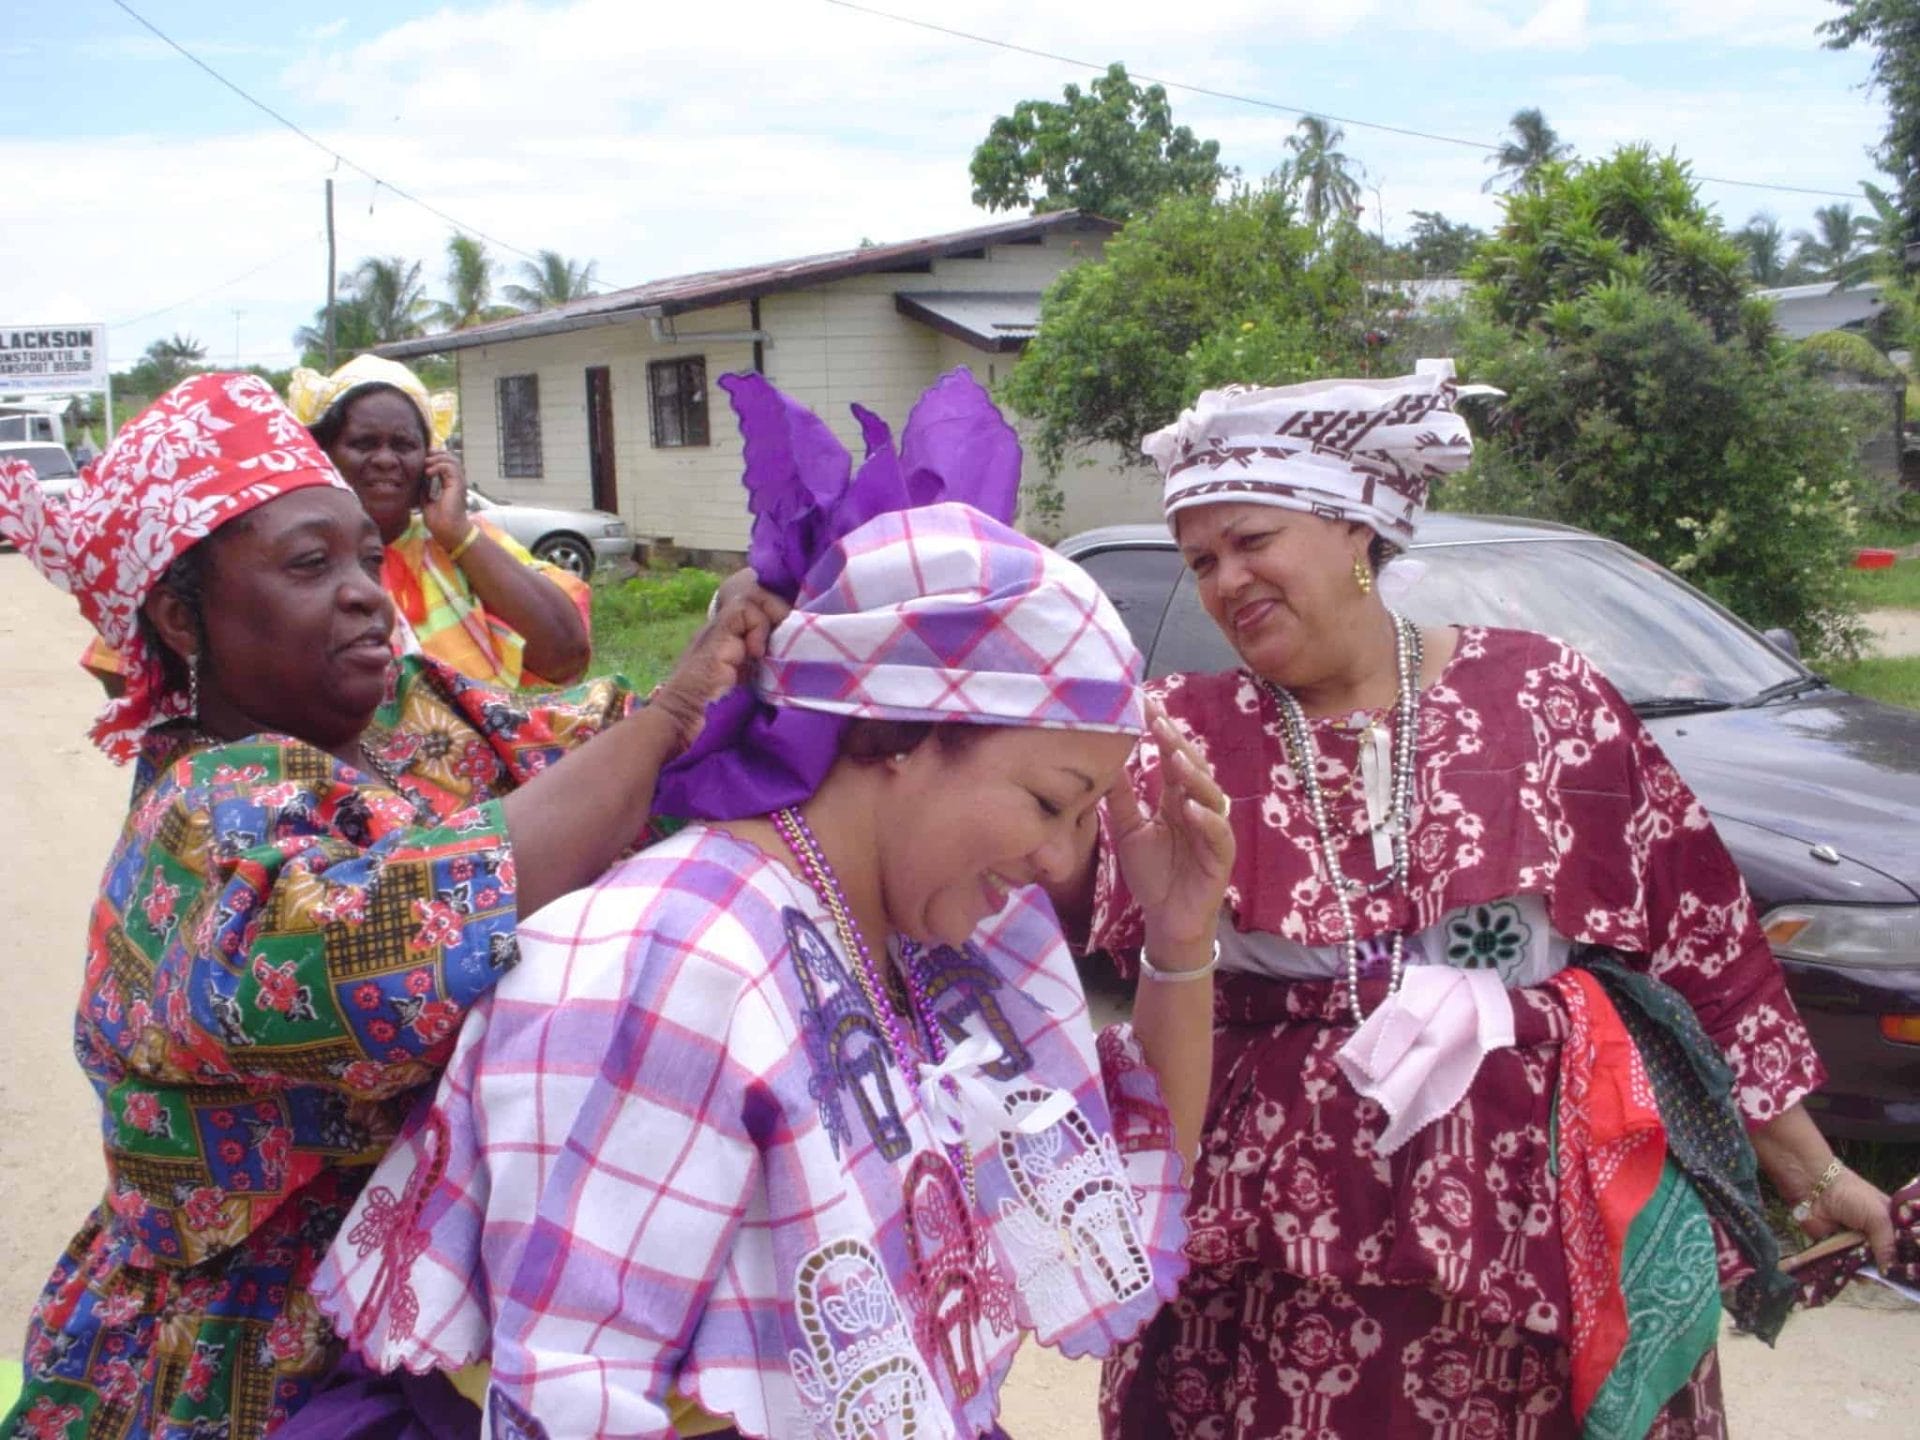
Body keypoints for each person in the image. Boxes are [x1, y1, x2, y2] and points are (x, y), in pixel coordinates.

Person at [311, 370, 1234, 1439]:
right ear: (892, 733)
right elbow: (570, 1392)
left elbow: (1109, 1180)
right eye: (1049, 802)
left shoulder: (967, 941)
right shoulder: (668, 961)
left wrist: (1178, 942)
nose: (1063, 860)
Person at [1066, 363, 1905, 1438]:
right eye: (1201, 561)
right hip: (1276, 1240)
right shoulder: (1173, 733)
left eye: (1251, 540)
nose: (1226, 581)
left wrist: (1821, 1174)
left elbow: (1704, 957)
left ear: (1355, 530)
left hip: (1542, 1216)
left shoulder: (1543, 697)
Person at [0, 374, 782, 1440]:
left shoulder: (420, 717)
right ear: (183, 618)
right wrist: (678, 714)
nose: (369, 591)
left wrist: (747, 656)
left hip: (452, 1320)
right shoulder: (203, 816)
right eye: (310, 566)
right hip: (260, 1363)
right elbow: (391, 949)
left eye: (367, 557)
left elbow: (599, 752)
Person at [79, 355, 593, 697]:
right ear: (319, 452)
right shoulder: (265, 547)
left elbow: (566, 657)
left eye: (405, 445)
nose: (387, 460)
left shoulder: (465, 546)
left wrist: (458, 535)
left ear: (432, 460)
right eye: (364, 444)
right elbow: (120, 666)